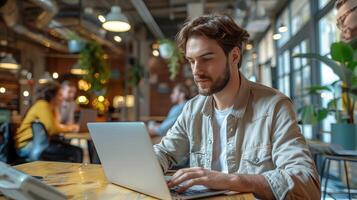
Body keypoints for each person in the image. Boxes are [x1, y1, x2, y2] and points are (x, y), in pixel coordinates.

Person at [153, 14, 320, 199]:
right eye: (192, 61)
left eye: (206, 58)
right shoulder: (193, 109)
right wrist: (139, 165)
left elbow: (307, 185)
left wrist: (229, 180)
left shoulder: (275, 106)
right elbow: (164, 152)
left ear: (234, 56)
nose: (196, 71)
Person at [15, 82, 82, 162]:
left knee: (76, 151)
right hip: (27, 146)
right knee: (76, 152)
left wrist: (56, 109)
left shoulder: (49, 107)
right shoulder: (42, 105)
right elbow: (53, 129)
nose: (62, 98)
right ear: (52, 96)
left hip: (36, 143)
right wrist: (71, 128)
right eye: (59, 95)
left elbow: (55, 125)